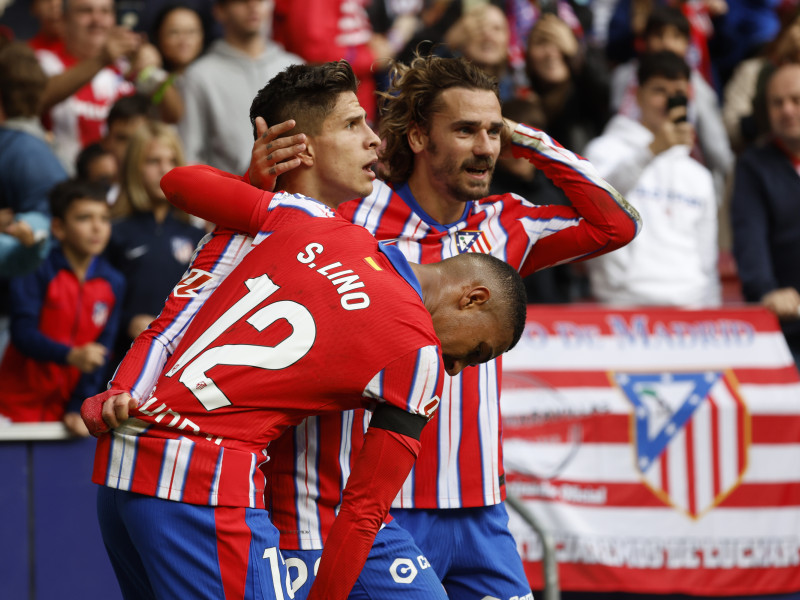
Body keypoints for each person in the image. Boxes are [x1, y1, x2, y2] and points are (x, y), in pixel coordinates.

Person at [80, 65, 529, 600]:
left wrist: (118, 391)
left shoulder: (290, 221)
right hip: (221, 485)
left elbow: (172, 304)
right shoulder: (414, 342)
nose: (459, 368)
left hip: (130, 464)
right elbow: (364, 512)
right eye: (477, 352)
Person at [212, 53, 641, 599]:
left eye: (492, 132)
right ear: (417, 137)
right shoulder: (355, 216)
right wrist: (257, 181)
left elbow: (616, 224)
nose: (485, 147)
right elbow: (253, 248)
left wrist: (525, 139)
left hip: (482, 511)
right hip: (388, 509)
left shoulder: (506, 227)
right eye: (465, 130)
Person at [584, 50, 720, 307]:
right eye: (659, 91)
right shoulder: (603, 151)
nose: (667, 101)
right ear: (637, 94)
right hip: (623, 306)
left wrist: (710, 309)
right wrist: (652, 151)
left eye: (677, 93)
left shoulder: (698, 174)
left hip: (691, 309)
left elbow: (707, 260)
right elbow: (598, 204)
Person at [0, 179, 123, 435]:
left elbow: (102, 353)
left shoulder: (114, 282)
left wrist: (78, 404)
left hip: (69, 419)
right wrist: (71, 355)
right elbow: (23, 334)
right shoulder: (34, 267)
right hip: (11, 409)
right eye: (84, 218)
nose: (97, 227)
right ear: (58, 227)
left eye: (104, 217)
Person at [105, 120, 205, 373]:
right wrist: (127, 321)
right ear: (134, 168)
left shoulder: (197, 235)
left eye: (172, 161)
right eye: (153, 161)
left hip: (181, 369)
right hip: (121, 365)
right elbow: (91, 304)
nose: (165, 169)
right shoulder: (112, 231)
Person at [609, 5, 733, 200]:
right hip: (630, 172)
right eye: (659, 35)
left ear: (687, 44)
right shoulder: (624, 77)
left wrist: (710, 190)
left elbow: (717, 150)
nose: (666, 44)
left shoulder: (699, 88)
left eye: (675, 37)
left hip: (682, 181)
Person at [177, 0, 303, 174]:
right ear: (220, 11)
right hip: (226, 196)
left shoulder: (295, 67)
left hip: (293, 195)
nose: (253, 6)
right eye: (242, 1)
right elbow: (190, 156)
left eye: (260, 0)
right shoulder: (199, 76)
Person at [731, 62, 800, 366]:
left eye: (797, 100)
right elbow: (750, 240)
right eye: (777, 102)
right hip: (789, 328)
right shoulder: (754, 166)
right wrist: (766, 291)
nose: (787, 110)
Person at [34, 0, 141, 172]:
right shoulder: (41, 61)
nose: (97, 20)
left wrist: (153, 72)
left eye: (105, 11)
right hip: (63, 183)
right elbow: (37, 98)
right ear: (63, 19)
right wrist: (101, 59)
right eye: (86, 11)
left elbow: (173, 116)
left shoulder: (128, 66)